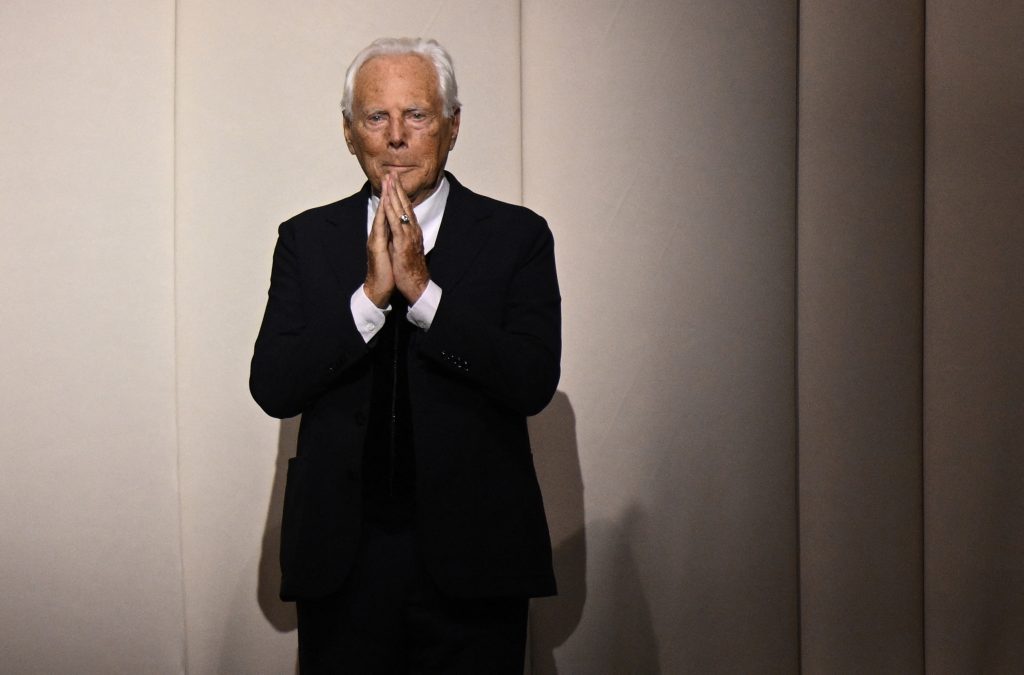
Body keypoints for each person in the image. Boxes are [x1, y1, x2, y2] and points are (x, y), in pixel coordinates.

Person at [250, 37, 561, 673]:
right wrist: (369, 299)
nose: (396, 137)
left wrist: (423, 293)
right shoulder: (306, 239)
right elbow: (274, 386)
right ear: (348, 133)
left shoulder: (517, 236)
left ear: (452, 126)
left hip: (477, 564)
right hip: (342, 565)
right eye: (376, 117)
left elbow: (531, 382)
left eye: (416, 115)